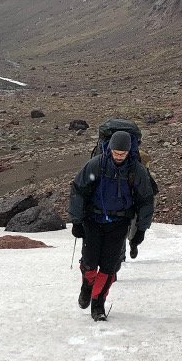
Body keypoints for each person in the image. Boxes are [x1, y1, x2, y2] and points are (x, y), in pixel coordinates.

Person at [69, 129, 156, 321]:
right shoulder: (96, 165)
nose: (119, 157)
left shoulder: (136, 170)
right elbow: (78, 191)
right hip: (92, 221)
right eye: (116, 153)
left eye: (122, 154)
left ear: (129, 151)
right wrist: (76, 221)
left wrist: (141, 229)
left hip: (119, 224)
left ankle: (98, 305)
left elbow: (146, 200)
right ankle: (87, 285)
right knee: (90, 263)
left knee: (109, 268)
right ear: (109, 149)